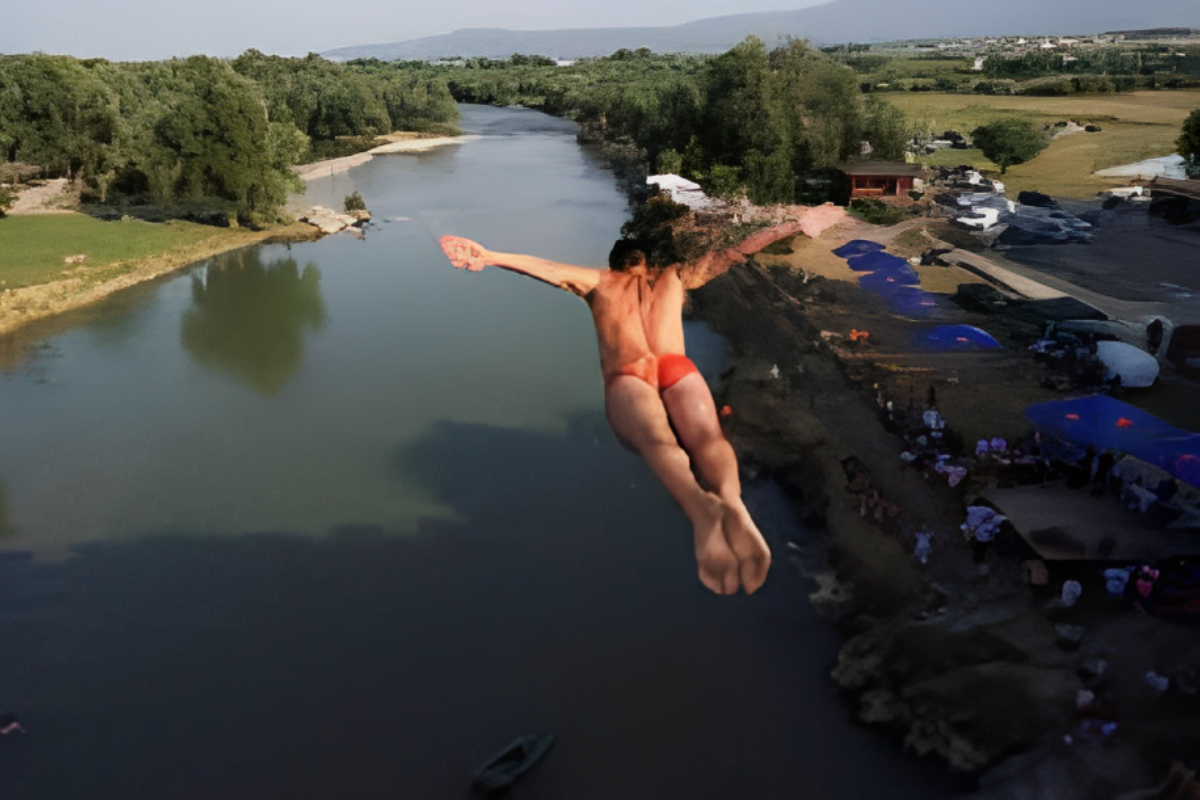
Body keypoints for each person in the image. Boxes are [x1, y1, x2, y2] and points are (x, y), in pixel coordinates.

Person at [439, 221, 807, 595]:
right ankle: (732, 502)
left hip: (630, 374)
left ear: (616, 265)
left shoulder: (601, 281)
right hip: (676, 367)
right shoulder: (674, 277)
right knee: (708, 438)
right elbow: (733, 253)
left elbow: (544, 269)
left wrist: (489, 257)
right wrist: (795, 225)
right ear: (646, 264)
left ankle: (699, 508)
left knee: (658, 446)